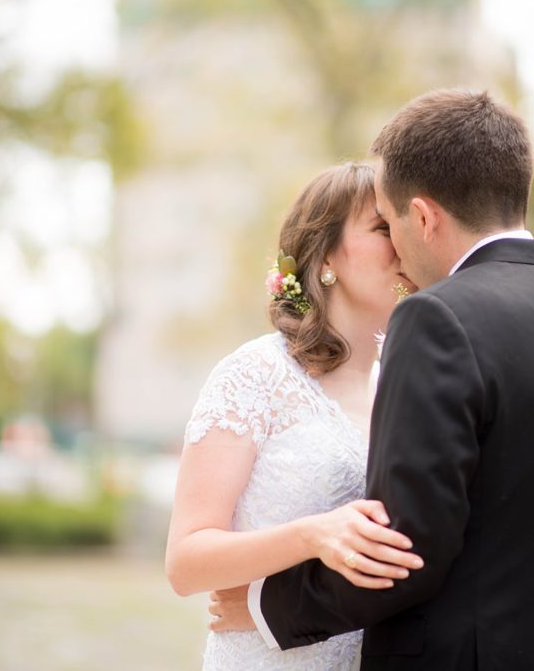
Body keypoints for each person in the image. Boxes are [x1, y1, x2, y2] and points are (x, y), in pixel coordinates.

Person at [214, 89, 534, 670]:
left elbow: (408, 551)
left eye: (391, 222)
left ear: (422, 216)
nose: (394, 244)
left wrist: (267, 608)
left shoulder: (437, 318)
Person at [165, 162, 423, 670]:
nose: (401, 242)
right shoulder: (255, 374)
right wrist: (312, 535)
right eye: (381, 227)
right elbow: (185, 562)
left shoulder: (403, 382)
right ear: (326, 254)